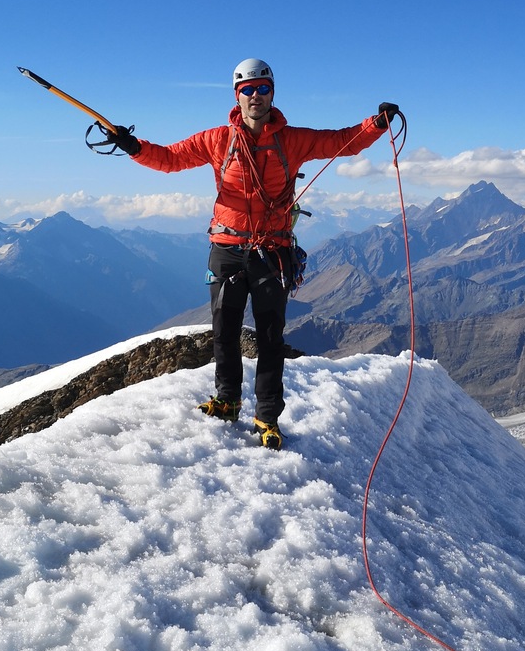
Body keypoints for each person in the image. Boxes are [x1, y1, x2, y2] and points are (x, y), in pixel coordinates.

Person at [106, 58, 398, 451]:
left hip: (270, 250)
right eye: (248, 90)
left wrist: (375, 124)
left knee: (270, 336)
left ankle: (267, 416)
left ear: (272, 93)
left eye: (263, 89)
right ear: (237, 96)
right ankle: (227, 400)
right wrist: (133, 147)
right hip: (227, 248)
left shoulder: (291, 139)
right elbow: (171, 158)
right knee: (224, 331)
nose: (256, 96)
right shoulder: (216, 140)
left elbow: (340, 141)